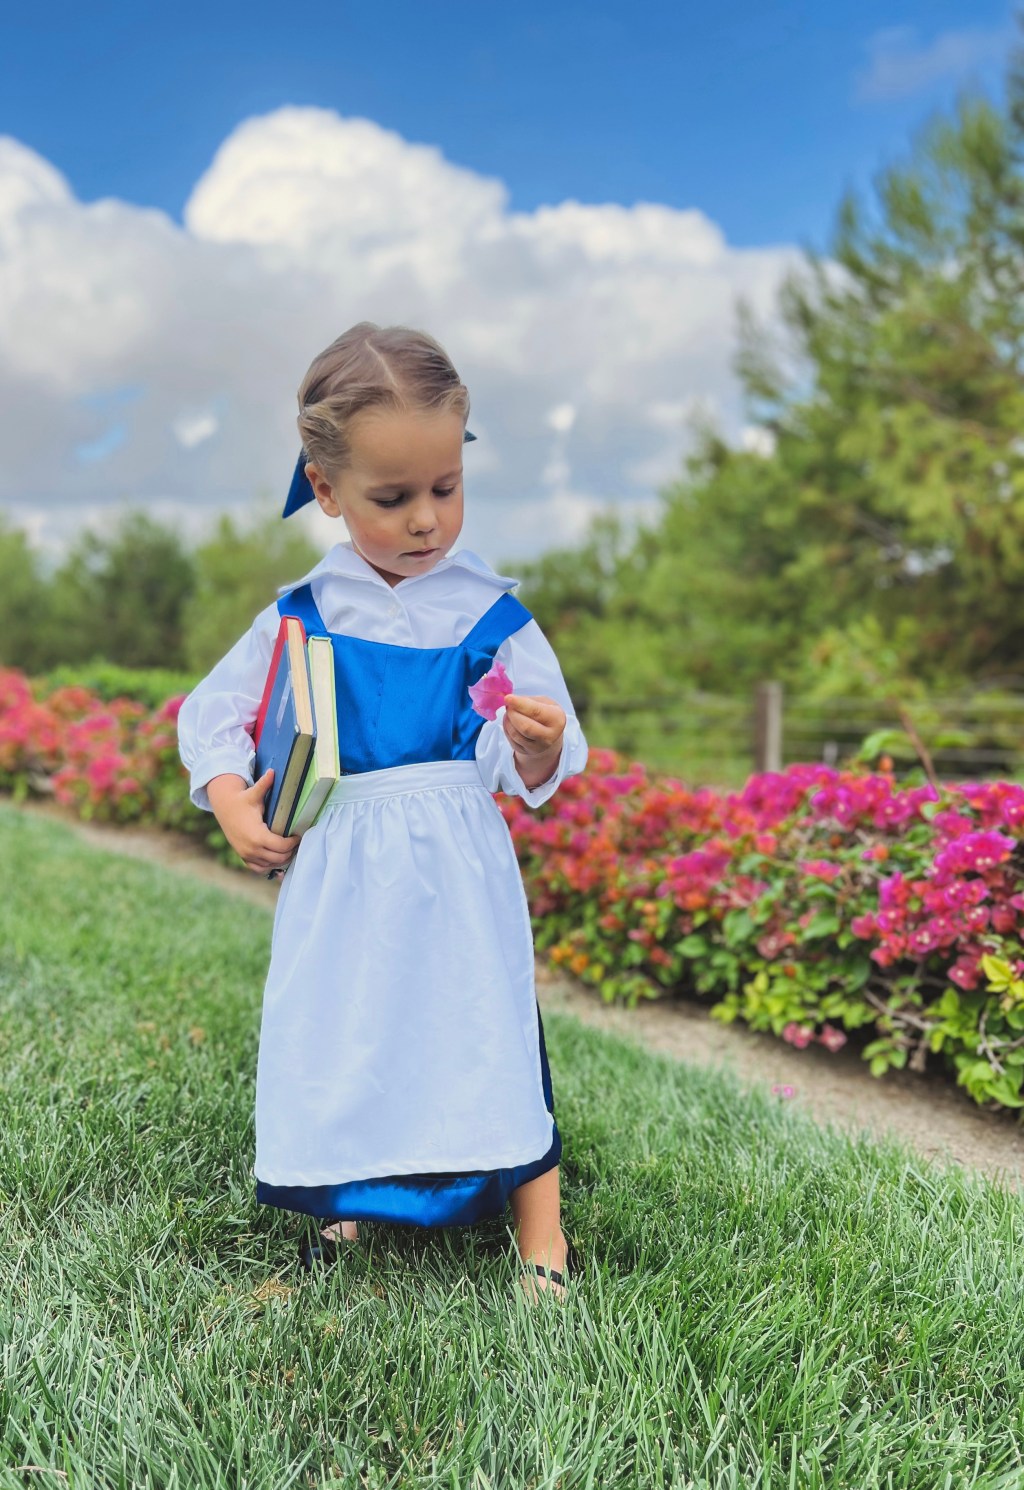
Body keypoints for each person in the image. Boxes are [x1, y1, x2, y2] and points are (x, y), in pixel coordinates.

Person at [177, 322, 588, 1301]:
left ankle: (542, 1228)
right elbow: (214, 711)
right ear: (325, 491)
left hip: (455, 855)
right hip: (346, 859)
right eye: (391, 496)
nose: (424, 520)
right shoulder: (303, 611)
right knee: (350, 1020)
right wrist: (232, 797)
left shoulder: (490, 611)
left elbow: (541, 737)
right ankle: (348, 1196)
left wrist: (534, 742)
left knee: (482, 1019)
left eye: (445, 487)